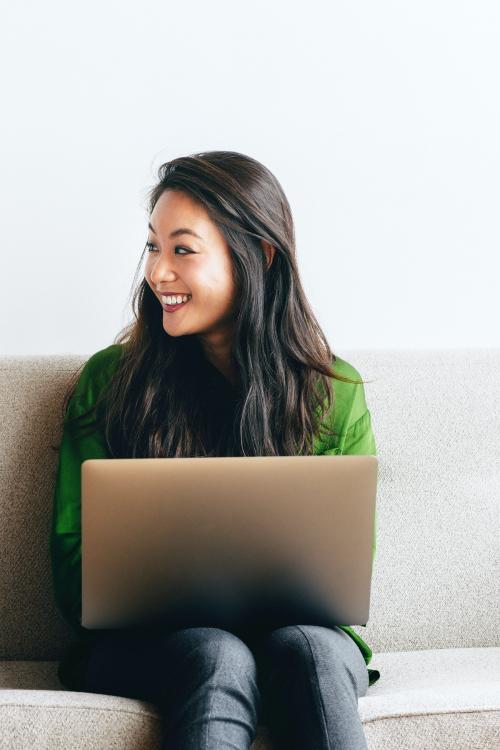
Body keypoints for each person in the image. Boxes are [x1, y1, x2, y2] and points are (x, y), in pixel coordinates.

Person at [51, 150, 380, 750]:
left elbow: (342, 579)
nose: (158, 272)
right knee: (218, 655)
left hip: (298, 635)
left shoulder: (333, 392)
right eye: (153, 247)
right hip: (150, 641)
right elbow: (73, 565)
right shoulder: (110, 382)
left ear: (259, 254)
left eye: (183, 249)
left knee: (310, 650)